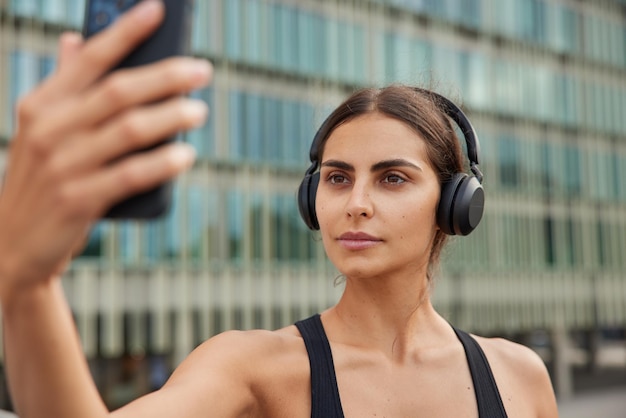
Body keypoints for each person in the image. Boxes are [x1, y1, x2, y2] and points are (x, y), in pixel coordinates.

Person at [0, 1, 558, 417]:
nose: (356, 204)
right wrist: (28, 284)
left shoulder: (519, 377)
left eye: (392, 178)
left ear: (456, 205)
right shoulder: (252, 367)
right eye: (338, 178)